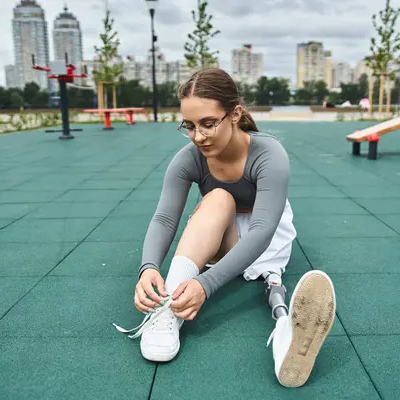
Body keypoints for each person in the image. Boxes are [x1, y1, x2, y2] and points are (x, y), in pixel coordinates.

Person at [113, 68, 336, 388]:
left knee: (256, 253)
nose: (198, 136)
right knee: (218, 198)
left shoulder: (269, 153)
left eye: (207, 123)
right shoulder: (187, 159)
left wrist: (206, 284)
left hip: (268, 235)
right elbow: (164, 218)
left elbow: (261, 228)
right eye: (188, 126)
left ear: (235, 114)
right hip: (222, 235)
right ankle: (166, 313)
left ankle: (280, 315)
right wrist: (147, 268)